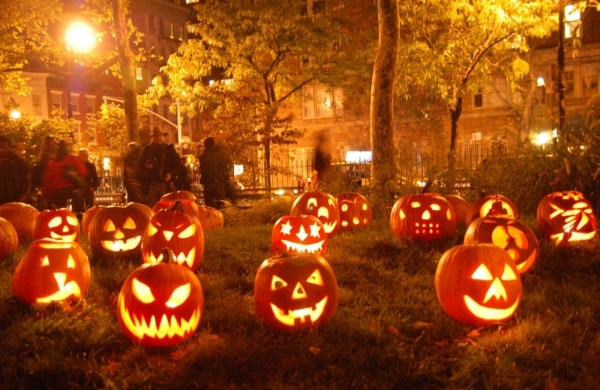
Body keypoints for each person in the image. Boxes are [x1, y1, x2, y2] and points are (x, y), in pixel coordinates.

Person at [139, 127, 181, 207]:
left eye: (160, 136)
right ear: (153, 137)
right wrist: (146, 166)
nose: (158, 138)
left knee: (166, 206)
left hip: (165, 183)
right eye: (156, 136)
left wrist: (171, 174)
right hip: (151, 184)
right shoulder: (147, 149)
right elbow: (140, 165)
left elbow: (177, 165)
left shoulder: (169, 150)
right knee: (151, 207)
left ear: (163, 136)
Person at [42, 140, 88, 212]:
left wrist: (47, 195)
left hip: (58, 191)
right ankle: (80, 216)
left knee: (60, 210)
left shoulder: (51, 163)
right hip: (74, 189)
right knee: (79, 208)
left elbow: (48, 181)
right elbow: (83, 172)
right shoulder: (73, 158)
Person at [199, 137, 231, 208]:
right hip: (218, 182)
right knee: (221, 203)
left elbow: (204, 170)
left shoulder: (203, 157)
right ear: (213, 144)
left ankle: (211, 217)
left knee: (209, 205)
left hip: (208, 182)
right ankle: (220, 217)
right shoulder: (219, 155)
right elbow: (223, 168)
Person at [0, 136, 31, 205]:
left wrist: (23, 196)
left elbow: (26, 180)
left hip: (14, 199)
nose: (1, 150)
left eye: (3, 147)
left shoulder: (19, 162)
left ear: (9, 148)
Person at [29, 135, 56, 209]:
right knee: (50, 201)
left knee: (47, 200)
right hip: (49, 179)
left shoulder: (43, 153)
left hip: (46, 180)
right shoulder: (49, 153)